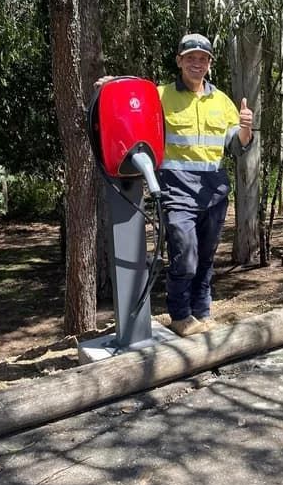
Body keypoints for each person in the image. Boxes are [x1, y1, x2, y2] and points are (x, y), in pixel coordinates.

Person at [97, 33, 253, 337]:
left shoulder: (221, 101)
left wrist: (246, 129)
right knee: (185, 252)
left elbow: (235, 146)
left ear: (209, 64)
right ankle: (180, 315)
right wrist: (112, 87)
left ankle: (202, 311)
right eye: (191, 57)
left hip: (214, 189)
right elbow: (133, 101)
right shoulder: (160, 95)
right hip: (176, 187)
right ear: (179, 61)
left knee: (206, 256)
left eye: (203, 58)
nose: (197, 63)